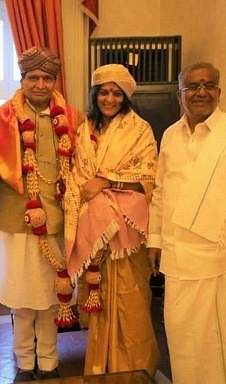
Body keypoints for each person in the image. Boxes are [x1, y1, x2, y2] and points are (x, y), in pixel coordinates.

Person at [147, 62, 226, 384]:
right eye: (192, 86)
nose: (200, 92)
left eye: (208, 85)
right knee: (183, 336)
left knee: (225, 337)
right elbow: (161, 192)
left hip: (225, 258)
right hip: (178, 258)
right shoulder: (171, 136)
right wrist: (155, 240)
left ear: (218, 92)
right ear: (180, 95)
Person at [0, 46, 83, 382]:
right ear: (23, 79)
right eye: (33, 77)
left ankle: (50, 361)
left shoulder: (72, 118)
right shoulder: (0, 119)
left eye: (47, 78)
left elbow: (85, 164)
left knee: (53, 298)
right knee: (22, 301)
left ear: (55, 81)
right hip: (16, 223)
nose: (40, 84)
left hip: (59, 223)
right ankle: (25, 364)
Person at [63, 64, 160, 378]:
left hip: (126, 230)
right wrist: (91, 203)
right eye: (104, 92)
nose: (110, 98)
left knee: (130, 300)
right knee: (99, 300)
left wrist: (106, 181)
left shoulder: (139, 129)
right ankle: (100, 367)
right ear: (95, 94)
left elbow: (149, 178)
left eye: (117, 93)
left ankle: (135, 370)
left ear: (126, 97)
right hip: (93, 227)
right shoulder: (83, 128)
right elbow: (77, 175)